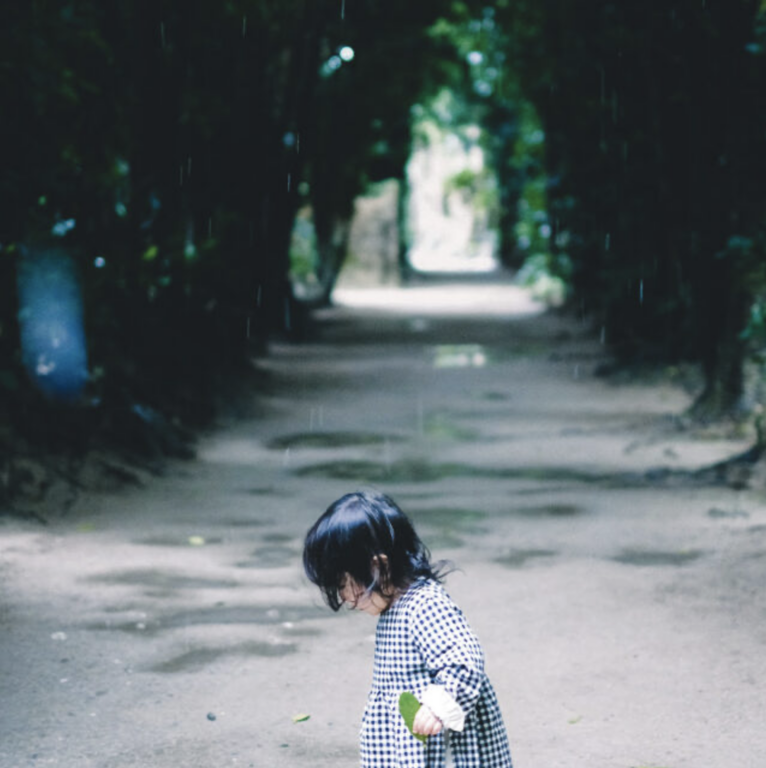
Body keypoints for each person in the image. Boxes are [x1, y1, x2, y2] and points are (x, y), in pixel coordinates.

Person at [303, 490, 513, 768]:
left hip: (446, 749)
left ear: (378, 567)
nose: (343, 596)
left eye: (343, 583)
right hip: (415, 748)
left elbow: (464, 660)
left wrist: (438, 708)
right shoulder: (394, 608)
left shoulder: (425, 605)